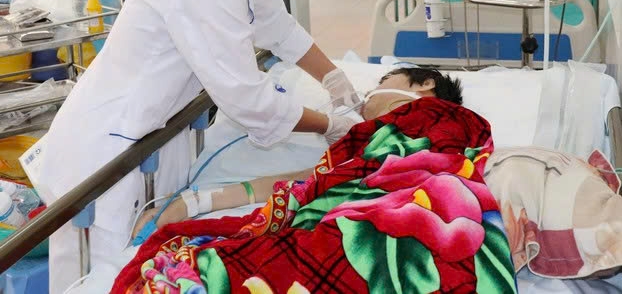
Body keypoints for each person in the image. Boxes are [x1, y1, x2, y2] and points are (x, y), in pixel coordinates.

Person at [23, 0, 360, 292]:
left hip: (146, 141)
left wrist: (336, 81)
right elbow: (249, 99)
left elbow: (278, 26)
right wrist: (329, 124)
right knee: (102, 278)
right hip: (105, 155)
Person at [132, 68, 463, 234]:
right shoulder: (361, 143)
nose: (370, 90)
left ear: (425, 85)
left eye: (384, 80)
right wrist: (191, 203)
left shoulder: (450, 128)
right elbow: (301, 184)